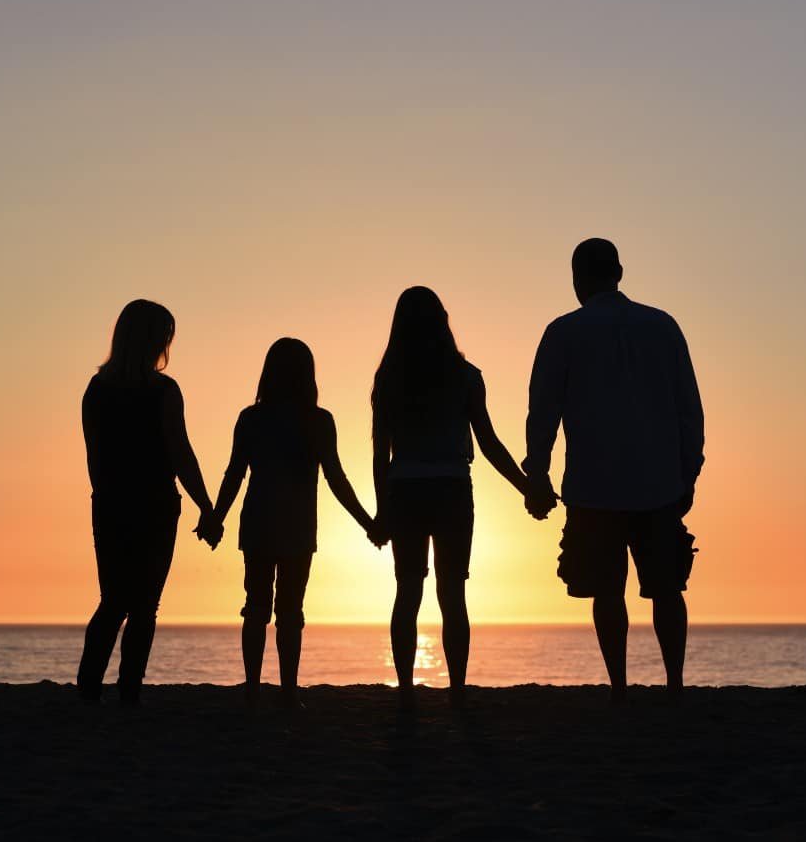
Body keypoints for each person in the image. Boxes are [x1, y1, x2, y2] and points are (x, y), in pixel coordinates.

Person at [523, 238, 704, 705]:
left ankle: (620, 688)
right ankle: (675, 684)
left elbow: (543, 411)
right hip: (658, 480)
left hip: (594, 484)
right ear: (620, 271)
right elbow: (689, 409)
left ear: (577, 279)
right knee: (667, 588)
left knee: (607, 592)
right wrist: (690, 471)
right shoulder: (663, 327)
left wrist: (537, 473)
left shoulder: (564, 332)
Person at [371, 287, 529, 711]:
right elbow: (490, 443)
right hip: (452, 488)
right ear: (443, 320)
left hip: (405, 489)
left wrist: (381, 510)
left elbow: (379, 452)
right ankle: (456, 688)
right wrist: (526, 486)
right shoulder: (465, 375)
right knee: (452, 593)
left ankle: (405, 691)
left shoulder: (390, 378)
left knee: (407, 592)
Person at [202, 338, 378, 710]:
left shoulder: (252, 418)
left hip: (259, 522)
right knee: (290, 611)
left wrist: (217, 518)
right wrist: (368, 523)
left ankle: (253, 688)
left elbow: (234, 475)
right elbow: (336, 479)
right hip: (297, 527)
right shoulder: (317, 420)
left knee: (256, 606)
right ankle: (288, 692)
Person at [76, 299, 217, 706]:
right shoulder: (162, 391)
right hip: (152, 504)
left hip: (112, 504)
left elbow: (95, 457)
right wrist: (205, 507)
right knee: (141, 605)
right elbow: (180, 452)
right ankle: (127, 691)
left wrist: (105, 497)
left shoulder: (98, 389)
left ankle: (92, 689)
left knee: (115, 601)